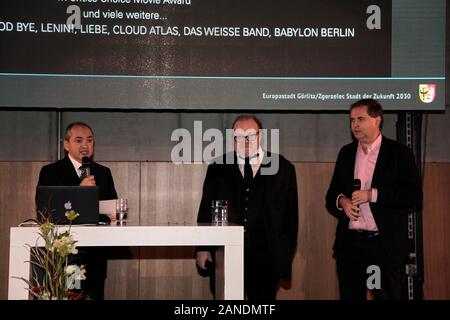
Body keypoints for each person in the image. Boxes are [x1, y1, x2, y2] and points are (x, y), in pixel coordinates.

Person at [326, 99, 422, 300]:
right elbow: (331, 195)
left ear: (377, 120)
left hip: (381, 247)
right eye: (352, 120)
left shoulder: (399, 154)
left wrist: (373, 195)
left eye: (361, 119)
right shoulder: (346, 153)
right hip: (350, 246)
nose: (355, 125)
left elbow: (413, 196)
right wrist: (342, 202)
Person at [196, 114, 298, 300]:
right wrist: (202, 248)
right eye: (239, 136)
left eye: (250, 135)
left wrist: (283, 253)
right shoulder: (218, 167)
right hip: (225, 254)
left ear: (260, 136)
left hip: (266, 258)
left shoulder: (283, 168)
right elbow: (206, 209)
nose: (245, 140)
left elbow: (291, 218)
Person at [36, 122, 117, 300]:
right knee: (71, 295)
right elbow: (45, 210)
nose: (85, 145)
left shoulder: (103, 173)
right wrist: (80, 191)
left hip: (95, 254)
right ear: (66, 145)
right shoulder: (51, 172)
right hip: (67, 255)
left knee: (93, 296)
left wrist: (113, 215)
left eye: (89, 140)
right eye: (78, 140)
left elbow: (111, 205)